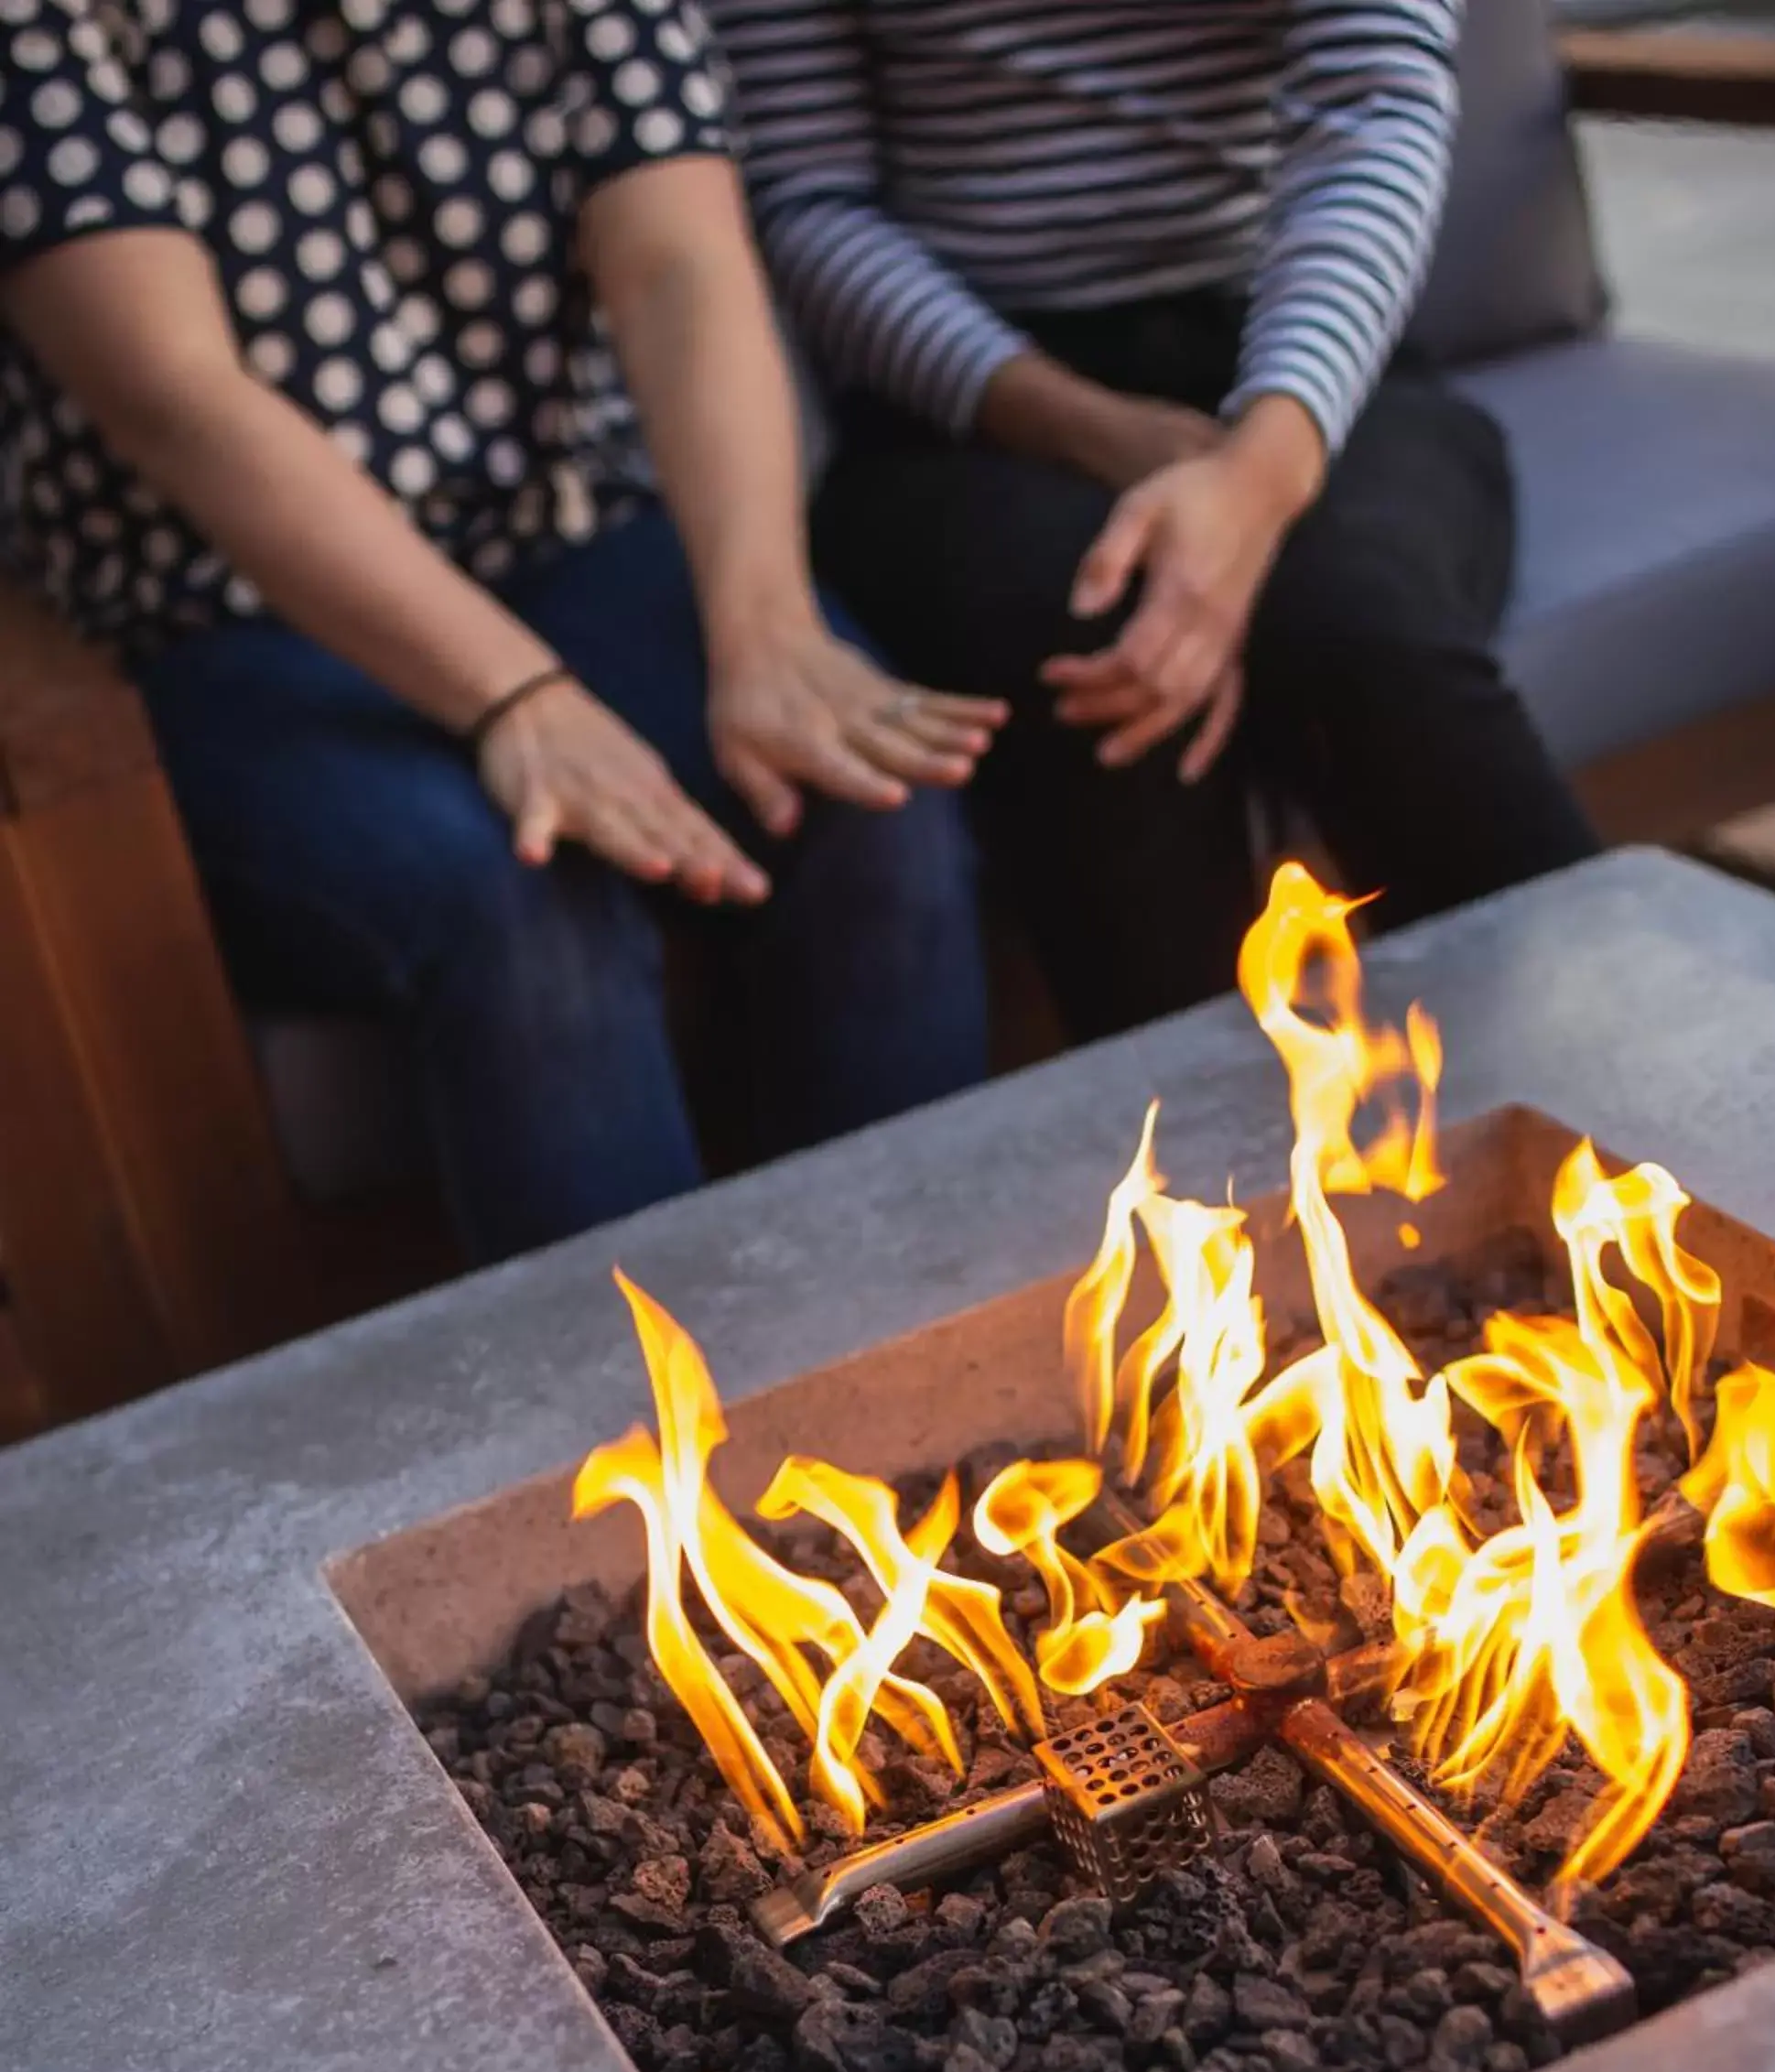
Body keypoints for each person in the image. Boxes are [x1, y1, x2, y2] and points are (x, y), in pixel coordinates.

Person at [0, 0, 1005, 1262]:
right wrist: (518, 701)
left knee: (870, 797)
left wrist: (768, 630)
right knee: (524, 908)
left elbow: (676, 262)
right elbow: (176, 397)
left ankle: (934, 1369)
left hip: (563, 526)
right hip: (226, 610)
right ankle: (641, 1448)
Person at [719, 0, 1600, 1044]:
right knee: (1100, 663)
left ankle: (1631, 1118)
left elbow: (1373, 104)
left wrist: (1260, 468)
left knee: (1360, 628)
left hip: (1301, 334)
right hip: (962, 403)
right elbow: (808, 205)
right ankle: (1206, 1179)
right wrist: (1088, 430)